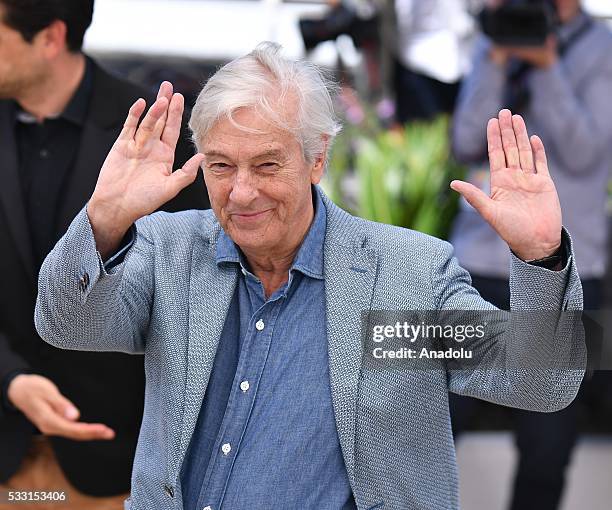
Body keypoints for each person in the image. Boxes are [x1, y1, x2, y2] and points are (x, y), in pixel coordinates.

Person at [34, 42, 584, 510]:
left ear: (317, 158)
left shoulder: (403, 280)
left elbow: (541, 382)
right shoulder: (171, 252)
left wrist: (540, 256)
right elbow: (65, 325)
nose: (242, 192)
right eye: (222, 166)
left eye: (268, 165)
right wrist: (103, 221)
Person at [0, 0, 209, 507]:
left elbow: (198, 289)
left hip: (118, 459)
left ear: (50, 37)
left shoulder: (155, 131)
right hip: (7, 452)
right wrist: (9, 377)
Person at [449, 0, 612, 508]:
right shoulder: (493, 36)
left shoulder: (603, 47)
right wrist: (496, 61)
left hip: (568, 267)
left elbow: (587, 150)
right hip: (478, 261)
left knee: (548, 437)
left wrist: (548, 67)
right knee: (431, 413)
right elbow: (464, 140)